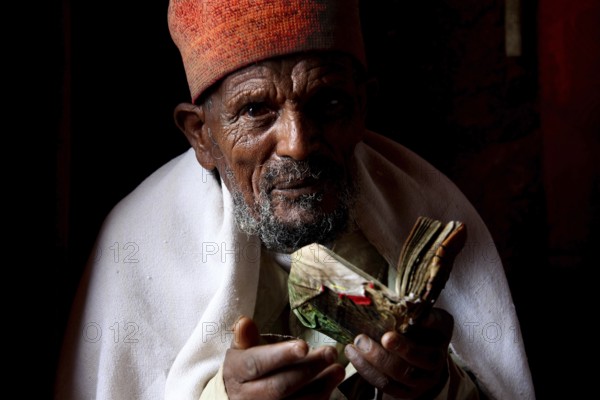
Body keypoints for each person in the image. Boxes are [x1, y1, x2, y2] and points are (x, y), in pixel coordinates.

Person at [55, 1, 535, 399]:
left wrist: (437, 386)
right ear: (201, 135)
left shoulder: (427, 207)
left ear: (363, 106)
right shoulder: (138, 244)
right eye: (256, 110)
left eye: (327, 103)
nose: (298, 143)